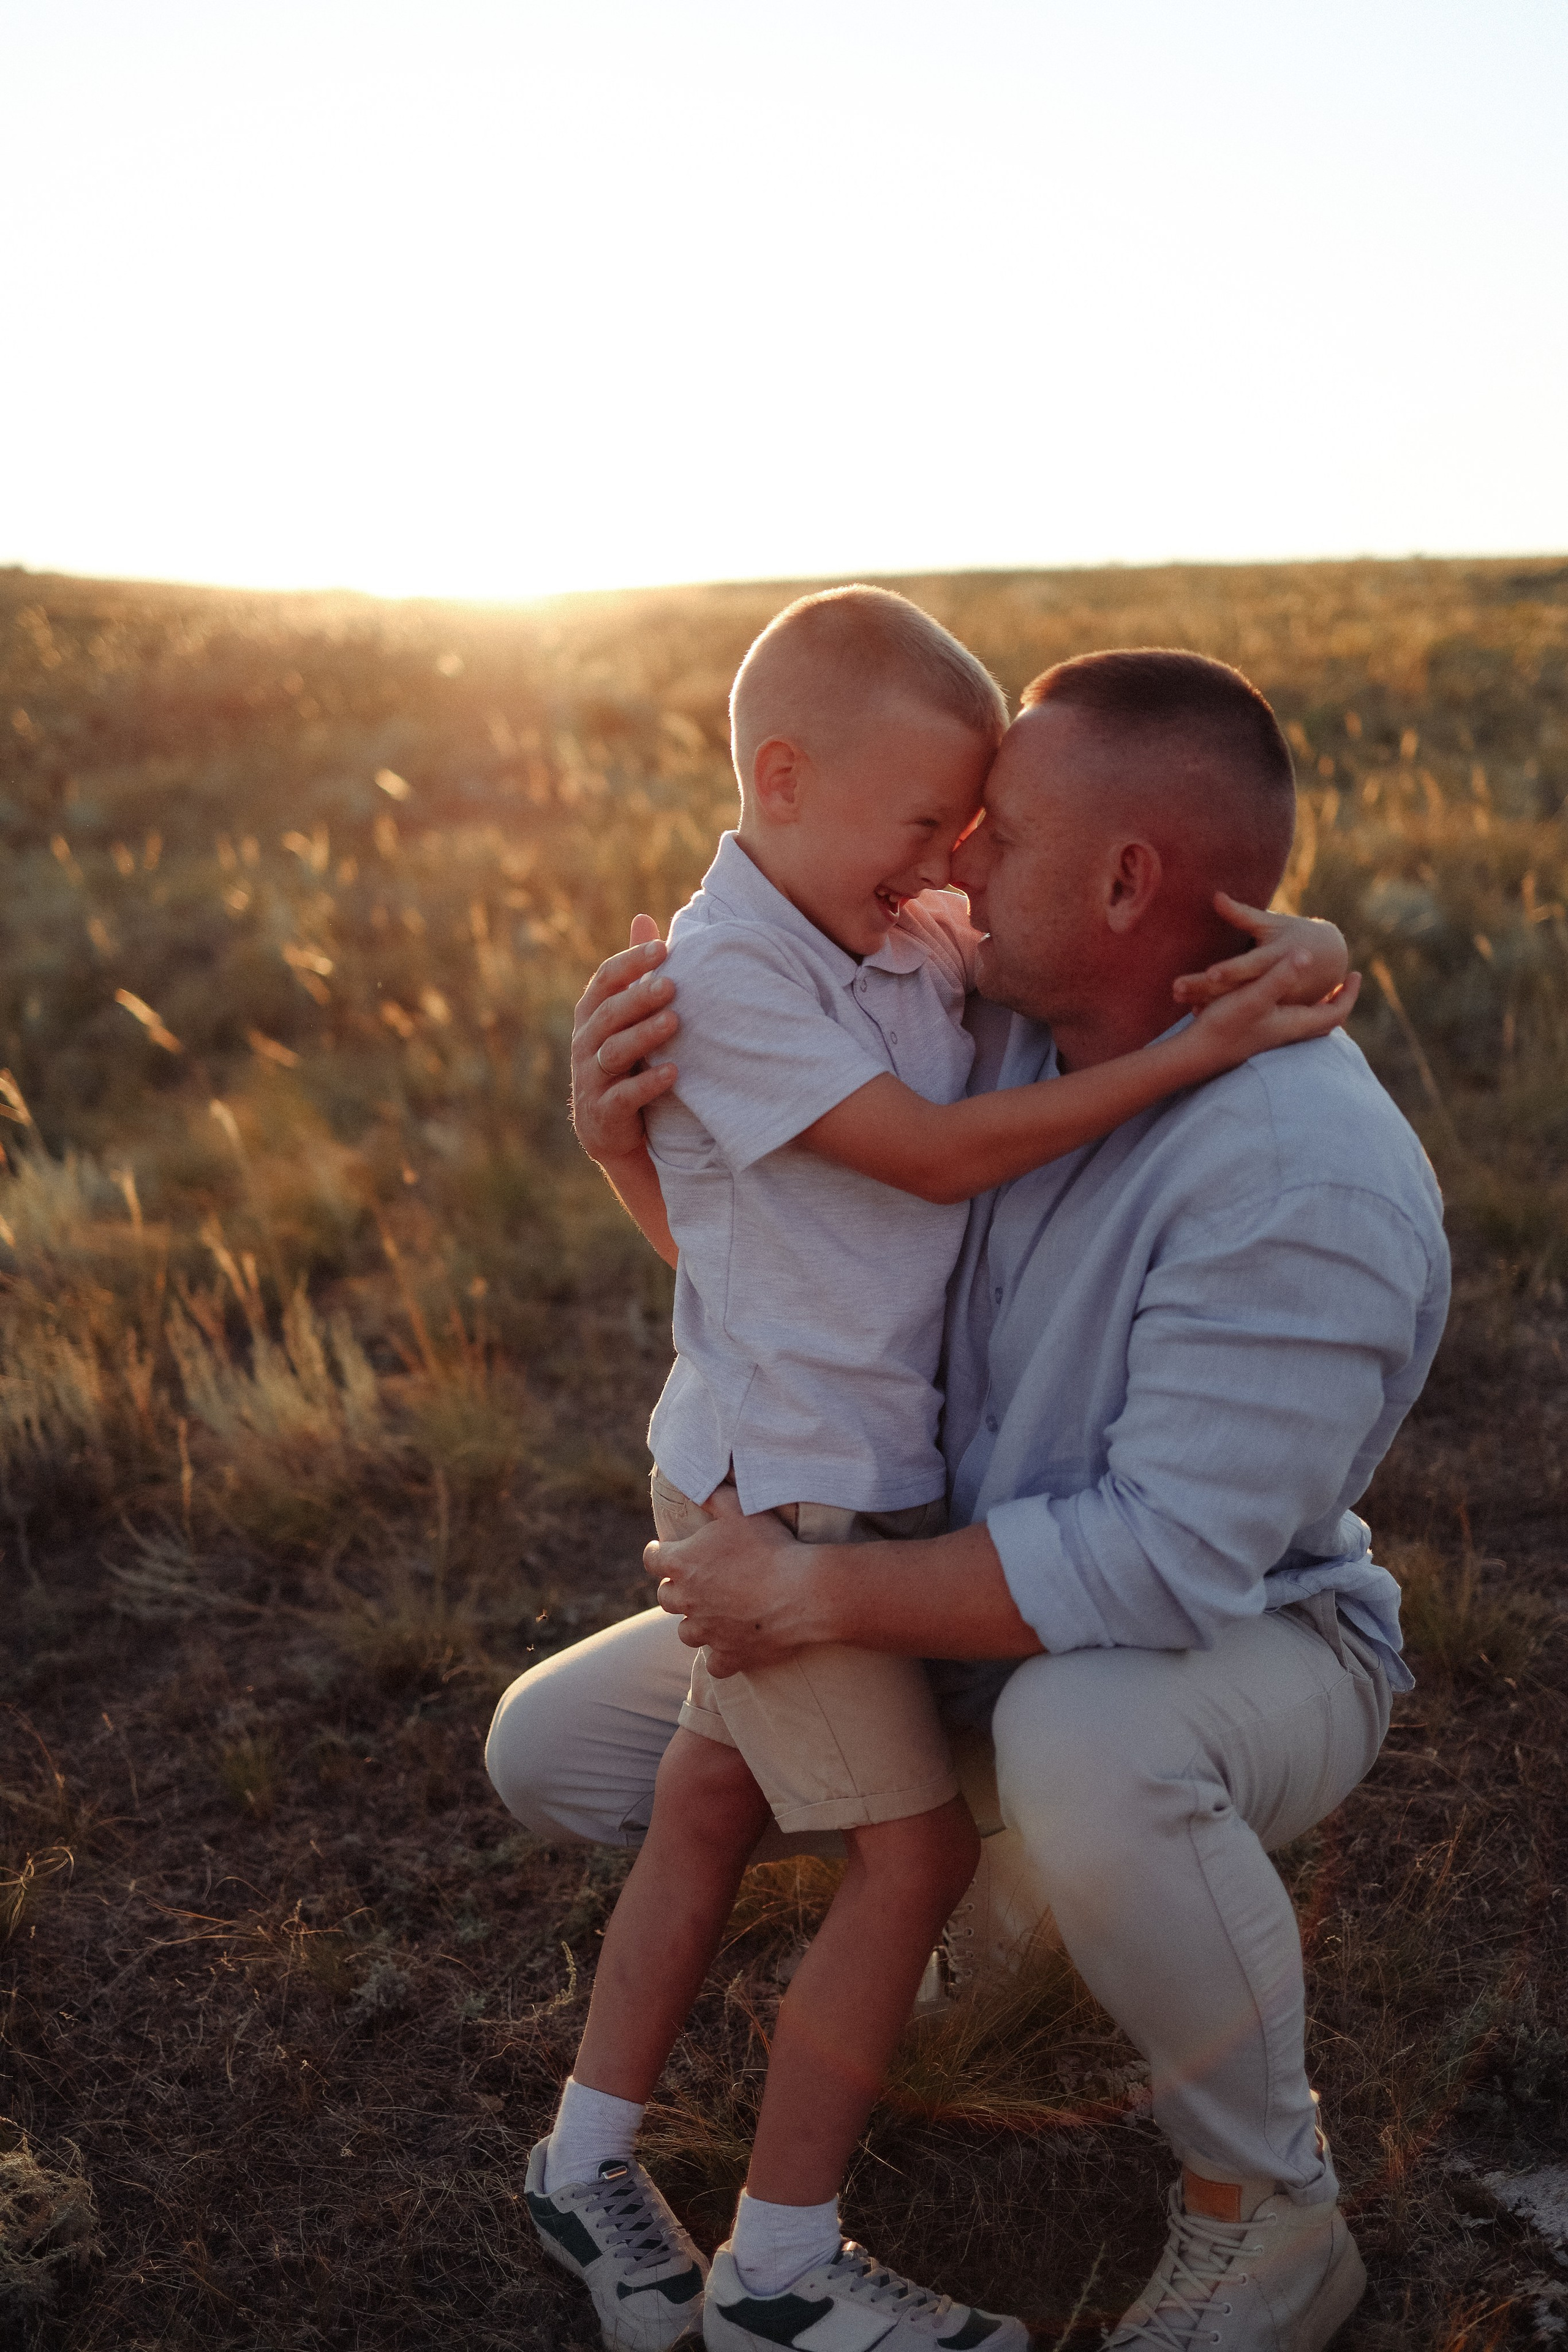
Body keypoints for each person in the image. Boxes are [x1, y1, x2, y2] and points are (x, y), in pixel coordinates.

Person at [495, 603, 1385, 2352]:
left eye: (993, 830)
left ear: (1121, 885)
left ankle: (1261, 2205)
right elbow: (840, 1237)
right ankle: (727, 2230)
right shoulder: (871, 990)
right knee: (688, 1788)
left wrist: (1295, 955)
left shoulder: (1276, 1159)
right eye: (940, 824)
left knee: (1012, 1761)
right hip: (835, 1509)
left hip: (1193, 1633)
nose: (956, 866)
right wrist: (622, 1146)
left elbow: (1152, 1565)